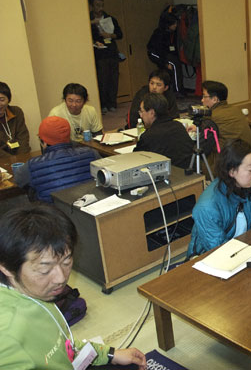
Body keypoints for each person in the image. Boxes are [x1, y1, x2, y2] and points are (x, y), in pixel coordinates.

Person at [0, 204, 147, 369]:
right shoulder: (7, 338)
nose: (61, 278)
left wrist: (108, 354)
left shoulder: (34, 292)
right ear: (6, 268)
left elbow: (65, 346)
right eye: (45, 270)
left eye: (66, 261)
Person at [187, 139, 251, 257]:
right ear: (232, 171)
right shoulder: (207, 207)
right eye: (250, 169)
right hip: (210, 255)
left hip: (246, 247)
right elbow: (219, 250)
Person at [14, 117, 100, 203]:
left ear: (44, 142)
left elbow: (18, 181)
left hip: (52, 210)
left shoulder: (32, 165)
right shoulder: (91, 153)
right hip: (88, 207)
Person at [196, 80, 251, 166]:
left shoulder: (213, 116)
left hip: (232, 162)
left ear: (214, 99)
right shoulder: (235, 109)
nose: (202, 100)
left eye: (204, 96)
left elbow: (204, 143)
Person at [134, 93, 193, 170]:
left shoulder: (148, 136)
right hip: (190, 172)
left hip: (170, 175)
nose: (141, 115)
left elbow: (135, 160)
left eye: (142, 111)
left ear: (152, 113)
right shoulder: (178, 126)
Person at [89, 0, 123, 114]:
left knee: (113, 78)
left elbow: (120, 34)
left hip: (111, 51)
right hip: (99, 53)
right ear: (92, 6)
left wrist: (110, 35)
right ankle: (103, 104)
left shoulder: (110, 18)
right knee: (102, 79)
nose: (100, 8)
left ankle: (112, 103)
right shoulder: (88, 19)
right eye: (97, 5)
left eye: (102, 5)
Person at [147, 11, 184, 96]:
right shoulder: (159, 33)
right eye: (173, 24)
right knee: (174, 65)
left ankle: (174, 90)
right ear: (168, 24)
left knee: (175, 64)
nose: (175, 25)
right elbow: (158, 50)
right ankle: (177, 91)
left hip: (166, 54)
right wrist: (165, 63)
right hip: (155, 53)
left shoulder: (172, 33)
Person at [0, 82, 30, 157]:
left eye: (2, 100)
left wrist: (21, 158)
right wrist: (12, 160)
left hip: (21, 156)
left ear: (9, 99)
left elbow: (23, 138)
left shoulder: (16, 112)